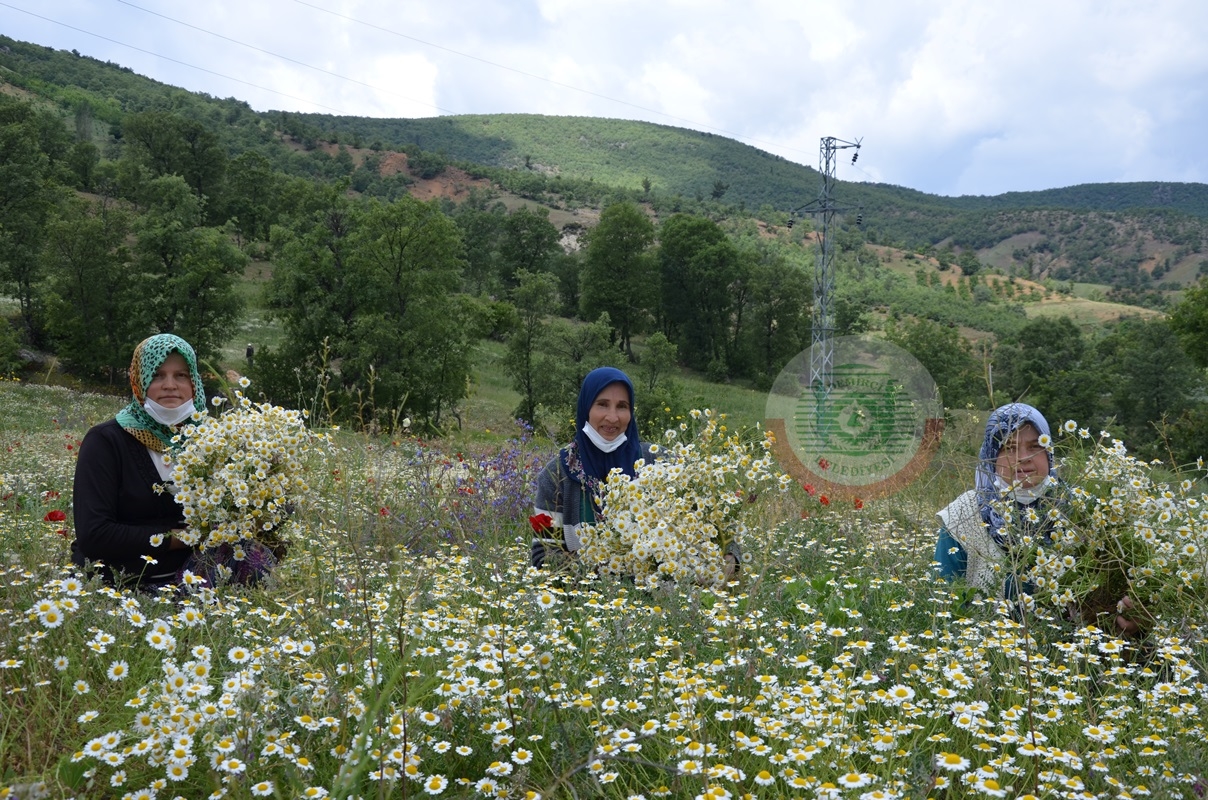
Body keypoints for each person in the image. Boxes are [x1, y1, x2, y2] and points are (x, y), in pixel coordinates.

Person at [531, 367, 739, 578]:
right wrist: (608, 575)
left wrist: (730, 554)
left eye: (622, 406)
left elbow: (716, 520)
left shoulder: (660, 463)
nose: (612, 417)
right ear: (586, 408)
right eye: (602, 404)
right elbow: (543, 555)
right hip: (581, 602)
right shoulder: (558, 475)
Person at [72, 334, 208, 588]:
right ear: (138, 382)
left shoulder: (209, 442)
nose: (170, 385)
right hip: (119, 589)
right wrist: (183, 537)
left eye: (181, 375)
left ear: (195, 383)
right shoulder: (105, 441)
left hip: (196, 584)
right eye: (156, 375)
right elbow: (95, 535)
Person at [933, 403, 1057, 598]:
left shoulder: (1075, 510)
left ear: (1049, 453)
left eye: (1035, 446)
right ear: (991, 455)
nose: (1023, 458)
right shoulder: (964, 513)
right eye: (1009, 447)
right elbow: (943, 598)